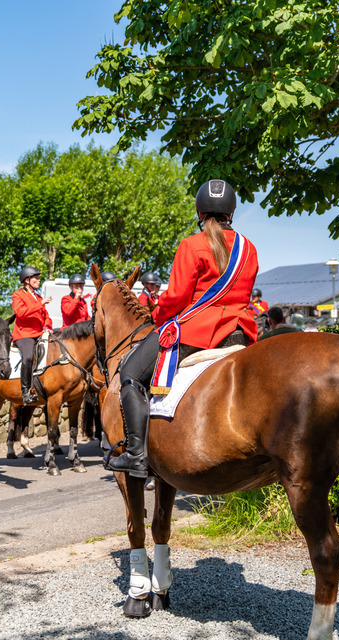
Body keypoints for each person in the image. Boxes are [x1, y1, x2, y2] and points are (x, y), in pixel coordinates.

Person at [106, 179, 259, 478]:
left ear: (199, 211)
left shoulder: (192, 245)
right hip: (240, 332)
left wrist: (158, 315)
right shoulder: (248, 248)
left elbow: (175, 298)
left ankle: (137, 455)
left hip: (198, 332)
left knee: (130, 374)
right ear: (231, 211)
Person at [12, 265, 53, 405]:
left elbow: (46, 315)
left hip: (39, 333)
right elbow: (20, 312)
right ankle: (25, 391)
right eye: (36, 278)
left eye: (38, 278)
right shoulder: (18, 295)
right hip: (24, 334)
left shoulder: (38, 297)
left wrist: (48, 326)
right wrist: (40, 303)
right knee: (28, 357)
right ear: (27, 280)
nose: (38, 280)